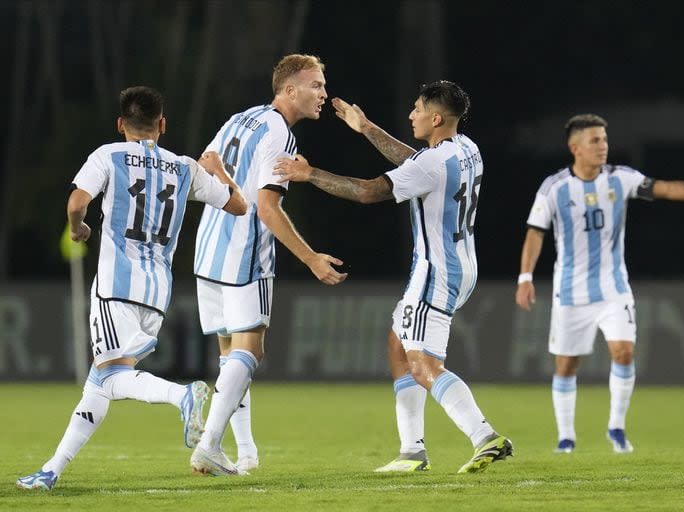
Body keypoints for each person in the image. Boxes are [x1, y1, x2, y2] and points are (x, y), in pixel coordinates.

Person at [274, 80, 513, 474]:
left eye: (418, 109)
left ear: (436, 118)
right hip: (463, 265)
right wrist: (366, 128)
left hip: (436, 271)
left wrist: (309, 173)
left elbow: (369, 192)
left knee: (422, 365)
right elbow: (415, 163)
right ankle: (412, 451)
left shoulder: (432, 163)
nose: (411, 115)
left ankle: (484, 436)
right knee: (398, 344)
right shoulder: (465, 149)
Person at [16, 86, 248, 491]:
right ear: (162, 124)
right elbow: (238, 205)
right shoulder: (184, 168)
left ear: (121, 124)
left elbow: (75, 204)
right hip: (157, 293)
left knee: (110, 378)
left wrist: (78, 230)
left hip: (115, 285)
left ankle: (183, 397)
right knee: (98, 382)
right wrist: (221, 171)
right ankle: (50, 470)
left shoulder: (108, 155)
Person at [514, 114, 684, 454]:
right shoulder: (554, 187)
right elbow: (534, 232)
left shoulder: (621, 179)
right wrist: (525, 277)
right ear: (575, 148)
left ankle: (616, 428)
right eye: (595, 141)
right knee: (566, 364)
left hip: (614, 288)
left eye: (604, 139)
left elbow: (669, 188)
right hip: (570, 292)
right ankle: (566, 437)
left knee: (624, 352)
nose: (603, 146)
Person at [190, 54, 347, 476]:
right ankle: (208, 445)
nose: (323, 94)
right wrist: (311, 258)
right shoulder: (281, 136)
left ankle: (245, 453)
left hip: (208, 250)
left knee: (230, 358)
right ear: (289, 90)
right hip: (245, 256)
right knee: (251, 351)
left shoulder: (242, 118)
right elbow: (267, 209)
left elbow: (205, 164)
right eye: (316, 85)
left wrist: (229, 185)